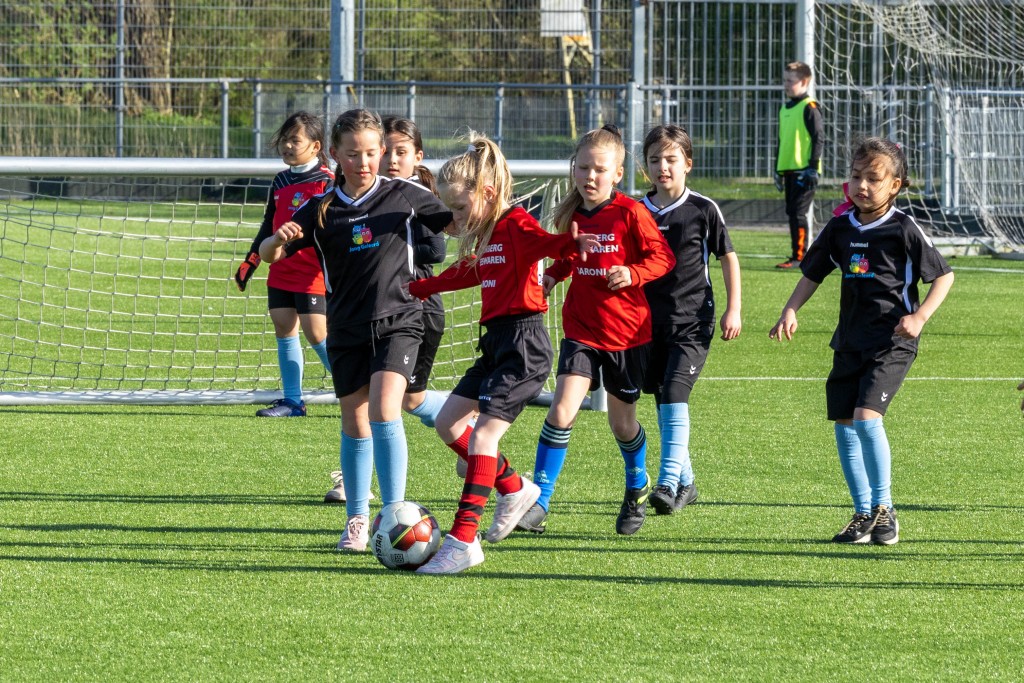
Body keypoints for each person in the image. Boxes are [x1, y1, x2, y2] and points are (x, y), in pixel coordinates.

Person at [259, 108, 453, 552]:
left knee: (386, 408)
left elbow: (456, 222)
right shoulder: (321, 208)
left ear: (381, 151)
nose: (362, 162)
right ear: (334, 154)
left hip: (400, 319)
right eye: (352, 154)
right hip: (345, 326)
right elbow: (271, 254)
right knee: (355, 419)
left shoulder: (404, 194)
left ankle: (395, 513)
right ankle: (357, 520)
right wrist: (277, 239)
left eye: (370, 153)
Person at [406, 134, 599, 574]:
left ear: (488, 193)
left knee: (482, 438)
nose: (455, 219)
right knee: (447, 422)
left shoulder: (515, 224)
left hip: (523, 346)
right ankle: (513, 488)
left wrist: (570, 246)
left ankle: (462, 541)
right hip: (496, 342)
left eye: (459, 208)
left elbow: (548, 244)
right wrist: (420, 287)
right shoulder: (490, 234)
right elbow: (468, 273)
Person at [769, 137, 954, 546]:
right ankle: (863, 512)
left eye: (873, 178)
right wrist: (791, 309)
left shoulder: (903, 227)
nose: (862, 186)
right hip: (849, 341)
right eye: (856, 177)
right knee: (845, 424)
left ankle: (885, 509)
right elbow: (813, 273)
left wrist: (920, 317)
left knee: (867, 419)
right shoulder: (840, 227)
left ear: (895, 185)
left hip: (892, 341)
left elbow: (943, 276)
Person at [517, 125, 675, 536]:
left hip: (627, 334)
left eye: (600, 170)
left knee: (622, 425)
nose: (590, 176)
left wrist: (633, 273)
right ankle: (540, 501)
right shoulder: (572, 215)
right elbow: (570, 256)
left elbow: (664, 258)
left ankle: (636, 484)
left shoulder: (630, 213)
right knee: (561, 410)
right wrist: (553, 276)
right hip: (581, 329)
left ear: (618, 173)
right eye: (583, 167)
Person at [639, 124, 742, 515]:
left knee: (675, 391)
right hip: (646, 323)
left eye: (671, 159)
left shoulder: (702, 209)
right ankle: (686, 481)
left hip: (693, 321)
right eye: (654, 160)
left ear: (687, 164)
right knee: (661, 397)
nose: (662, 167)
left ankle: (666, 482)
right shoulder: (636, 210)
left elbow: (727, 258)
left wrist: (734, 308)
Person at [234, 111, 334, 418]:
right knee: (283, 327)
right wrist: (251, 261)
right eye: (284, 140)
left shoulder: (327, 182)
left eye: (295, 140)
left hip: (312, 271)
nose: (287, 146)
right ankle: (293, 402)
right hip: (280, 268)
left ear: (316, 146)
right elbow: (269, 224)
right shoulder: (280, 180)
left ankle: (359, 390)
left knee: (316, 333)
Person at [380, 116, 450, 433]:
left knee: (398, 400)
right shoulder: (375, 194)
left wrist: (387, 250)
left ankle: (468, 425)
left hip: (419, 310)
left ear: (417, 157)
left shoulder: (415, 194)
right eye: (386, 152)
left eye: (401, 152)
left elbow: (436, 250)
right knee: (398, 398)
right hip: (388, 308)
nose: (392, 160)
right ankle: (468, 429)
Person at [774, 60, 824, 270]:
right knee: (792, 212)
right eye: (785, 80)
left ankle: (800, 256)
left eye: (790, 81)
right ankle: (798, 254)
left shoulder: (809, 107)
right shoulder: (784, 108)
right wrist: (777, 170)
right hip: (788, 170)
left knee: (798, 213)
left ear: (804, 82)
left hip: (804, 171)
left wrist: (813, 167)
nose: (786, 85)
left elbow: (819, 138)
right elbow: (781, 141)